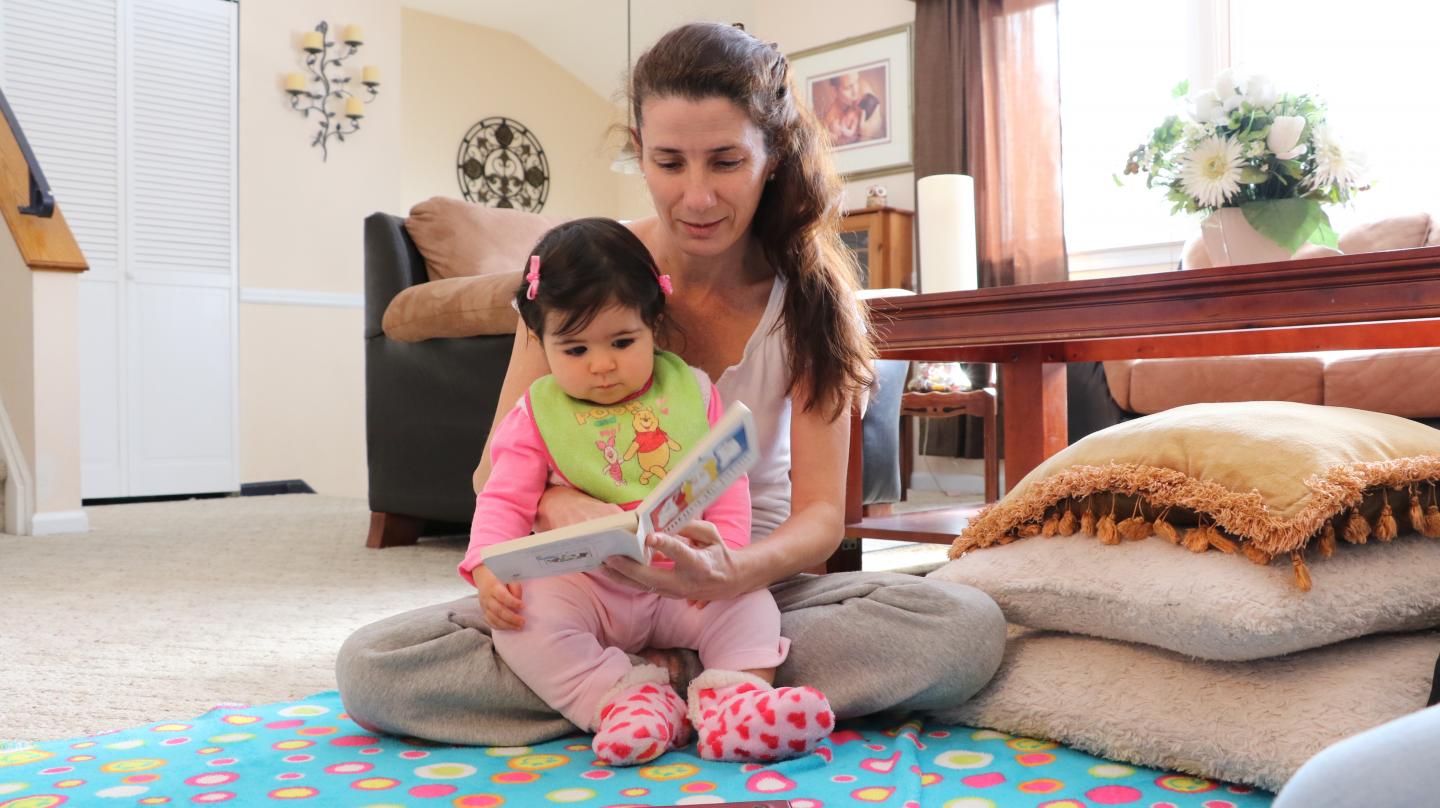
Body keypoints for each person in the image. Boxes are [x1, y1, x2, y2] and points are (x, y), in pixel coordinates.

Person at [336, 21, 1007, 747]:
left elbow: (818, 521)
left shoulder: (813, 300)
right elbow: (496, 465)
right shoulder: (581, 276)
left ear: (771, 154)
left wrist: (727, 572)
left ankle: (649, 685)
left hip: (749, 587)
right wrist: (561, 505)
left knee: (962, 628)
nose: (696, 196)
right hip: (586, 589)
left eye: (725, 161)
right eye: (668, 162)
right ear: (640, 150)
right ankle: (701, 689)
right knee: (375, 667)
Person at [465, 217, 832, 766]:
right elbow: (501, 499)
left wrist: (722, 558)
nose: (603, 364)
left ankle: (736, 701)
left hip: (687, 583)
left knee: (751, 605)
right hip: (587, 590)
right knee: (522, 626)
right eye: (575, 350)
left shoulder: (691, 393)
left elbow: (723, 482)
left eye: (621, 341)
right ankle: (624, 698)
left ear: (653, 325)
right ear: (541, 343)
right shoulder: (535, 415)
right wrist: (487, 569)